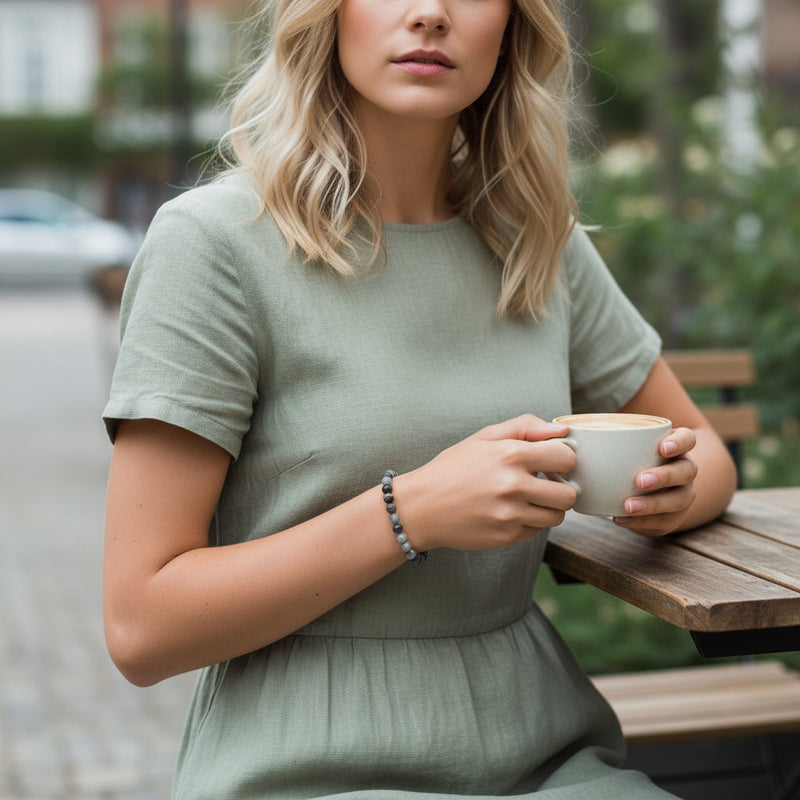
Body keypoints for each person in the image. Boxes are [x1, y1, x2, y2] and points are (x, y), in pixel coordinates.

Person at [102, 0, 738, 797]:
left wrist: (667, 492)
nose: (430, 13)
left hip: (545, 747)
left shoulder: (534, 236)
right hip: (309, 759)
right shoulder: (213, 244)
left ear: (512, 24)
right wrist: (410, 515)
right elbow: (141, 624)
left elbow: (707, 454)